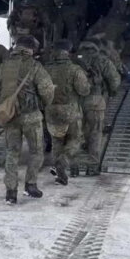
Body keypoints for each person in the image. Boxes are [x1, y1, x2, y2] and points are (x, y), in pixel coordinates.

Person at [0, 36, 54, 204]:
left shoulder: (3, 66)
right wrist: (42, 104)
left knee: (12, 153)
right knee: (36, 151)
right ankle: (31, 185)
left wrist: (5, 106)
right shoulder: (35, 66)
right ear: (31, 49)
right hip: (31, 117)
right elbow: (47, 90)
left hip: (10, 117)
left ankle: (11, 192)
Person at [43, 39, 90, 185]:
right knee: (75, 140)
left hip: (50, 110)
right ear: (68, 52)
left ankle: (60, 175)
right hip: (70, 110)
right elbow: (84, 90)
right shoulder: (74, 69)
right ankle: (62, 162)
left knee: (57, 141)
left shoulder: (45, 69)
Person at [75, 39, 120, 176]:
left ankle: (74, 167)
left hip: (75, 101)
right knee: (95, 133)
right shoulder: (102, 61)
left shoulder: (73, 60)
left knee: (76, 134)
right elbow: (114, 80)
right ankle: (92, 167)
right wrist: (112, 93)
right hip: (95, 100)